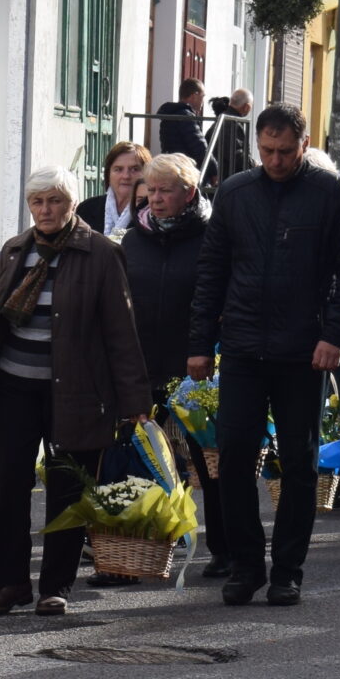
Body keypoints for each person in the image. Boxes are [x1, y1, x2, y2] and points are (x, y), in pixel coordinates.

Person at [184, 103, 340, 606]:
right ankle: (246, 566)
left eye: (285, 151)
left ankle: (288, 569)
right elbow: (211, 273)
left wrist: (334, 335)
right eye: (266, 151)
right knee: (234, 456)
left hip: (304, 351)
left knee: (299, 463)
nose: (275, 160)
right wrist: (199, 345)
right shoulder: (235, 192)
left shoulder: (331, 193)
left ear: (304, 144)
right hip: (243, 348)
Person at [0, 168, 148, 616]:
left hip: (75, 391)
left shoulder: (100, 254)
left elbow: (120, 332)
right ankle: (11, 583)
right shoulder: (19, 249)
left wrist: (135, 402)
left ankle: (56, 586)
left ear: (72, 203)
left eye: (54, 201)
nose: (45, 210)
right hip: (14, 386)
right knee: (10, 485)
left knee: (67, 487)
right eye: (37, 202)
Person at [119, 152, 220, 575]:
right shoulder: (133, 236)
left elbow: (212, 299)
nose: (155, 200)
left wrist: (203, 350)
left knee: (206, 461)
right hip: (142, 361)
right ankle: (134, 546)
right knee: (139, 453)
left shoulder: (211, 235)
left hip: (194, 363)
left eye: (165, 191)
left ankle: (223, 548)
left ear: (189, 193)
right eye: (151, 191)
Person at [79, 140, 151, 238]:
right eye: (118, 169)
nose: (126, 176)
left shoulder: (152, 211)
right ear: (108, 174)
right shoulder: (87, 209)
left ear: (147, 173)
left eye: (134, 169)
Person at [204, 89, 255, 191]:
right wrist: (253, 165)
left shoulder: (220, 121)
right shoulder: (232, 123)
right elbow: (237, 154)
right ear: (247, 107)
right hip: (227, 182)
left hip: (217, 180)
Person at [155, 78, 209, 164]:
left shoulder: (170, 113)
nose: (203, 101)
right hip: (185, 167)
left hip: (171, 164)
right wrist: (214, 171)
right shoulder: (186, 116)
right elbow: (200, 148)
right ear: (194, 95)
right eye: (203, 96)